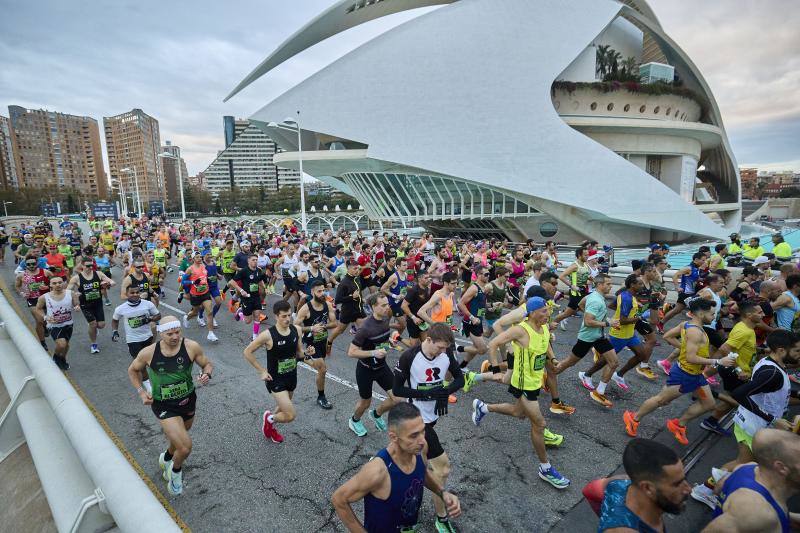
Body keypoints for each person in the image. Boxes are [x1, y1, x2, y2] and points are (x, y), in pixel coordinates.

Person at [691, 329, 799, 510]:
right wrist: (773, 419)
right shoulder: (772, 373)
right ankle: (706, 489)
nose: (798, 356)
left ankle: (711, 488)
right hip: (753, 426)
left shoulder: (772, 365)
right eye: (797, 351)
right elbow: (740, 393)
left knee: (746, 463)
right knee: (742, 464)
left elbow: (771, 391)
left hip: (752, 423)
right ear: (781, 350)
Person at [472, 296, 570, 489]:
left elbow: (546, 343)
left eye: (548, 310)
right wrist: (494, 371)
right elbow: (492, 344)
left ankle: (484, 408)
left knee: (518, 413)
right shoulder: (520, 330)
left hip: (534, 381)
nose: (547, 314)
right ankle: (545, 468)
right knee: (539, 424)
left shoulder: (543, 327)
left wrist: (554, 358)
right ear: (532, 312)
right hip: (523, 384)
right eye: (543, 311)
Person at [331, 402, 461, 533]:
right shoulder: (377, 471)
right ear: (394, 437)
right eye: (414, 435)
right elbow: (339, 500)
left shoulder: (420, 449)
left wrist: (442, 493)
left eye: (422, 431)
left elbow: (422, 473)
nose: (422, 440)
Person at [623, 298, 735, 445]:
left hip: (696, 376)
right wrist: (718, 361)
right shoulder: (696, 332)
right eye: (712, 314)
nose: (714, 317)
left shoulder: (686, 324)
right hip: (684, 375)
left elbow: (667, 336)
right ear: (701, 314)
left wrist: (684, 348)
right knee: (662, 400)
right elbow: (691, 357)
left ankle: (679, 424)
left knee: (708, 404)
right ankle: (634, 417)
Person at [127, 316, 213, 496]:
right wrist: (141, 392)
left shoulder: (191, 347)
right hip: (164, 405)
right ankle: (174, 473)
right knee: (185, 447)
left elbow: (207, 364)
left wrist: (207, 374)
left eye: (177, 332)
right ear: (160, 333)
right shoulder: (149, 352)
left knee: (181, 438)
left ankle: (166, 457)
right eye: (169, 334)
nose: (174, 337)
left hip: (188, 400)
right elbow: (133, 370)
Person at [393, 323, 464, 532]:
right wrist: (424, 395)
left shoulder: (446, 352)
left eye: (445, 349)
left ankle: (393, 465)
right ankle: (440, 517)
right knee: (442, 467)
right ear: (429, 340)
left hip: (432, 415)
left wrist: (445, 391)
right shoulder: (409, 356)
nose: (443, 352)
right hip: (417, 420)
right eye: (440, 347)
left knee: (415, 467)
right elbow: (397, 389)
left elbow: (459, 378)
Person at [703, 429, 800, 532]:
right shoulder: (755, 511)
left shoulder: (749, 467)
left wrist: (785, 517)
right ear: (781, 468)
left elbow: (719, 487)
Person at [586, 438, 691, 532]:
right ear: (648, 488)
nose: (688, 489)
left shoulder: (620, 482)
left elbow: (589, 490)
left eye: (684, 479)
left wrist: (605, 516)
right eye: (677, 484)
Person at [244, 300, 310, 443]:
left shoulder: (296, 330)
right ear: (276, 316)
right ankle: (269, 418)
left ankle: (270, 424)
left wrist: (308, 353)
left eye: (289, 316)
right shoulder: (268, 335)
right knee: (290, 414)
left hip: (292, 376)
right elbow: (247, 352)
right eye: (283, 316)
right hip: (275, 380)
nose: (287, 319)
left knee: (283, 407)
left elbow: (299, 353)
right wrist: (261, 371)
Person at [552, 273, 621, 408]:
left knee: (614, 362)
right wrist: (609, 324)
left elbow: (581, 303)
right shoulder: (596, 300)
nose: (610, 286)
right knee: (569, 363)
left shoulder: (594, 296)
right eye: (608, 284)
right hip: (587, 337)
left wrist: (604, 320)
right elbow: (588, 322)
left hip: (598, 337)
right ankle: (546, 376)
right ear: (600, 285)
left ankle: (599, 392)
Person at [347, 293, 399, 437]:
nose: (387, 307)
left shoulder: (386, 317)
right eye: (383, 305)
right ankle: (354, 421)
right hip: (366, 370)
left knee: (398, 398)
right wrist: (373, 353)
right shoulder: (365, 328)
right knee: (365, 402)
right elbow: (351, 352)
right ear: (373, 307)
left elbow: (381, 335)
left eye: (387, 304)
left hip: (381, 367)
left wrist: (389, 341)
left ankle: (376, 414)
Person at [294, 280, 339, 409]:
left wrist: (323, 326)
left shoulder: (328, 305)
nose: (322, 293)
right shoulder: (306, 308)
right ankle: (321, 396)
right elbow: (295, 327)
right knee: (322, 370)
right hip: (310, 342)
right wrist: (311, 328)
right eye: (319, 291)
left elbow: (334, 323)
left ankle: (301, 357)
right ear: (312, 292)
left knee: (319, 367)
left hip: (322, 341)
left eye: (323, 290)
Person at [112, 285, 162, 390]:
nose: (135, 294)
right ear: (127, 294)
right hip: (133, 340)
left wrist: (149, 319)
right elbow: (115, 320)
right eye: (132, 293)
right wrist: (115, 331)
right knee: (141, 365)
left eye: (137, 292)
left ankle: (160, 381)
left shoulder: (147, 304)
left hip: (148, 337)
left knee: (153, 362)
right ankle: (149, 388)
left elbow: (158, 315)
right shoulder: (121, 309)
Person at [67, 256, 115, 354]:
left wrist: (108, 283)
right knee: (93, 324)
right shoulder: (76, 278)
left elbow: (112, 281)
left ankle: (92, 328)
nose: (90, 267)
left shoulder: (98, 274)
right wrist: (74, 296)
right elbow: (68, 291)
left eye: (91, 265)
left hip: (97, 302)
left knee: (101, 325)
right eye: (87, 266)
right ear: (82, 266)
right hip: (85, 304)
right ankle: (94, 344)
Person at [34, 276, 80, 370]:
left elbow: (76, 303)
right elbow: (38, 309)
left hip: (68, 323)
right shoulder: (44, 297)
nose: (58, 285)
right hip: (54, 325)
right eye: (54, 283)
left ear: (63, 283)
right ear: (50, 285)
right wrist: (46, 317)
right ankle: (56, 357)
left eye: (59, 282)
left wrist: (77, 307)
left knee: (66, 345)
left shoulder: (70, 293)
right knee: (61, 344)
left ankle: (62, 358)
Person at [228, 254, 269, 340]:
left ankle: (255, 336)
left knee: (257, 316)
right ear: (248, 261)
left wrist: (265, 288)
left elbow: (260, 280)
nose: (255, 261)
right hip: (246, 298)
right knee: (247, 321)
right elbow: (232, 282)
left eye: (256, 260)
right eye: (253, 260)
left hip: (256, 297)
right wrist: (241, 291)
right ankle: (239, 312)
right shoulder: (244, 271)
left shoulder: (259, 270)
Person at [181, 252, 218, 342]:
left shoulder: (204, 266)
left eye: (200, 257)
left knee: (209, 312)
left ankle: (210, 333)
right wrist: (193, 282)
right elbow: (183, 282)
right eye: (197, 257)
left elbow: (204, 277)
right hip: (195, 295)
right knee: (195, 312)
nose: (199, 258)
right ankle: (187, 317)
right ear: (193, 259)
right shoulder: (190, 269)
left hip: (205, 293)